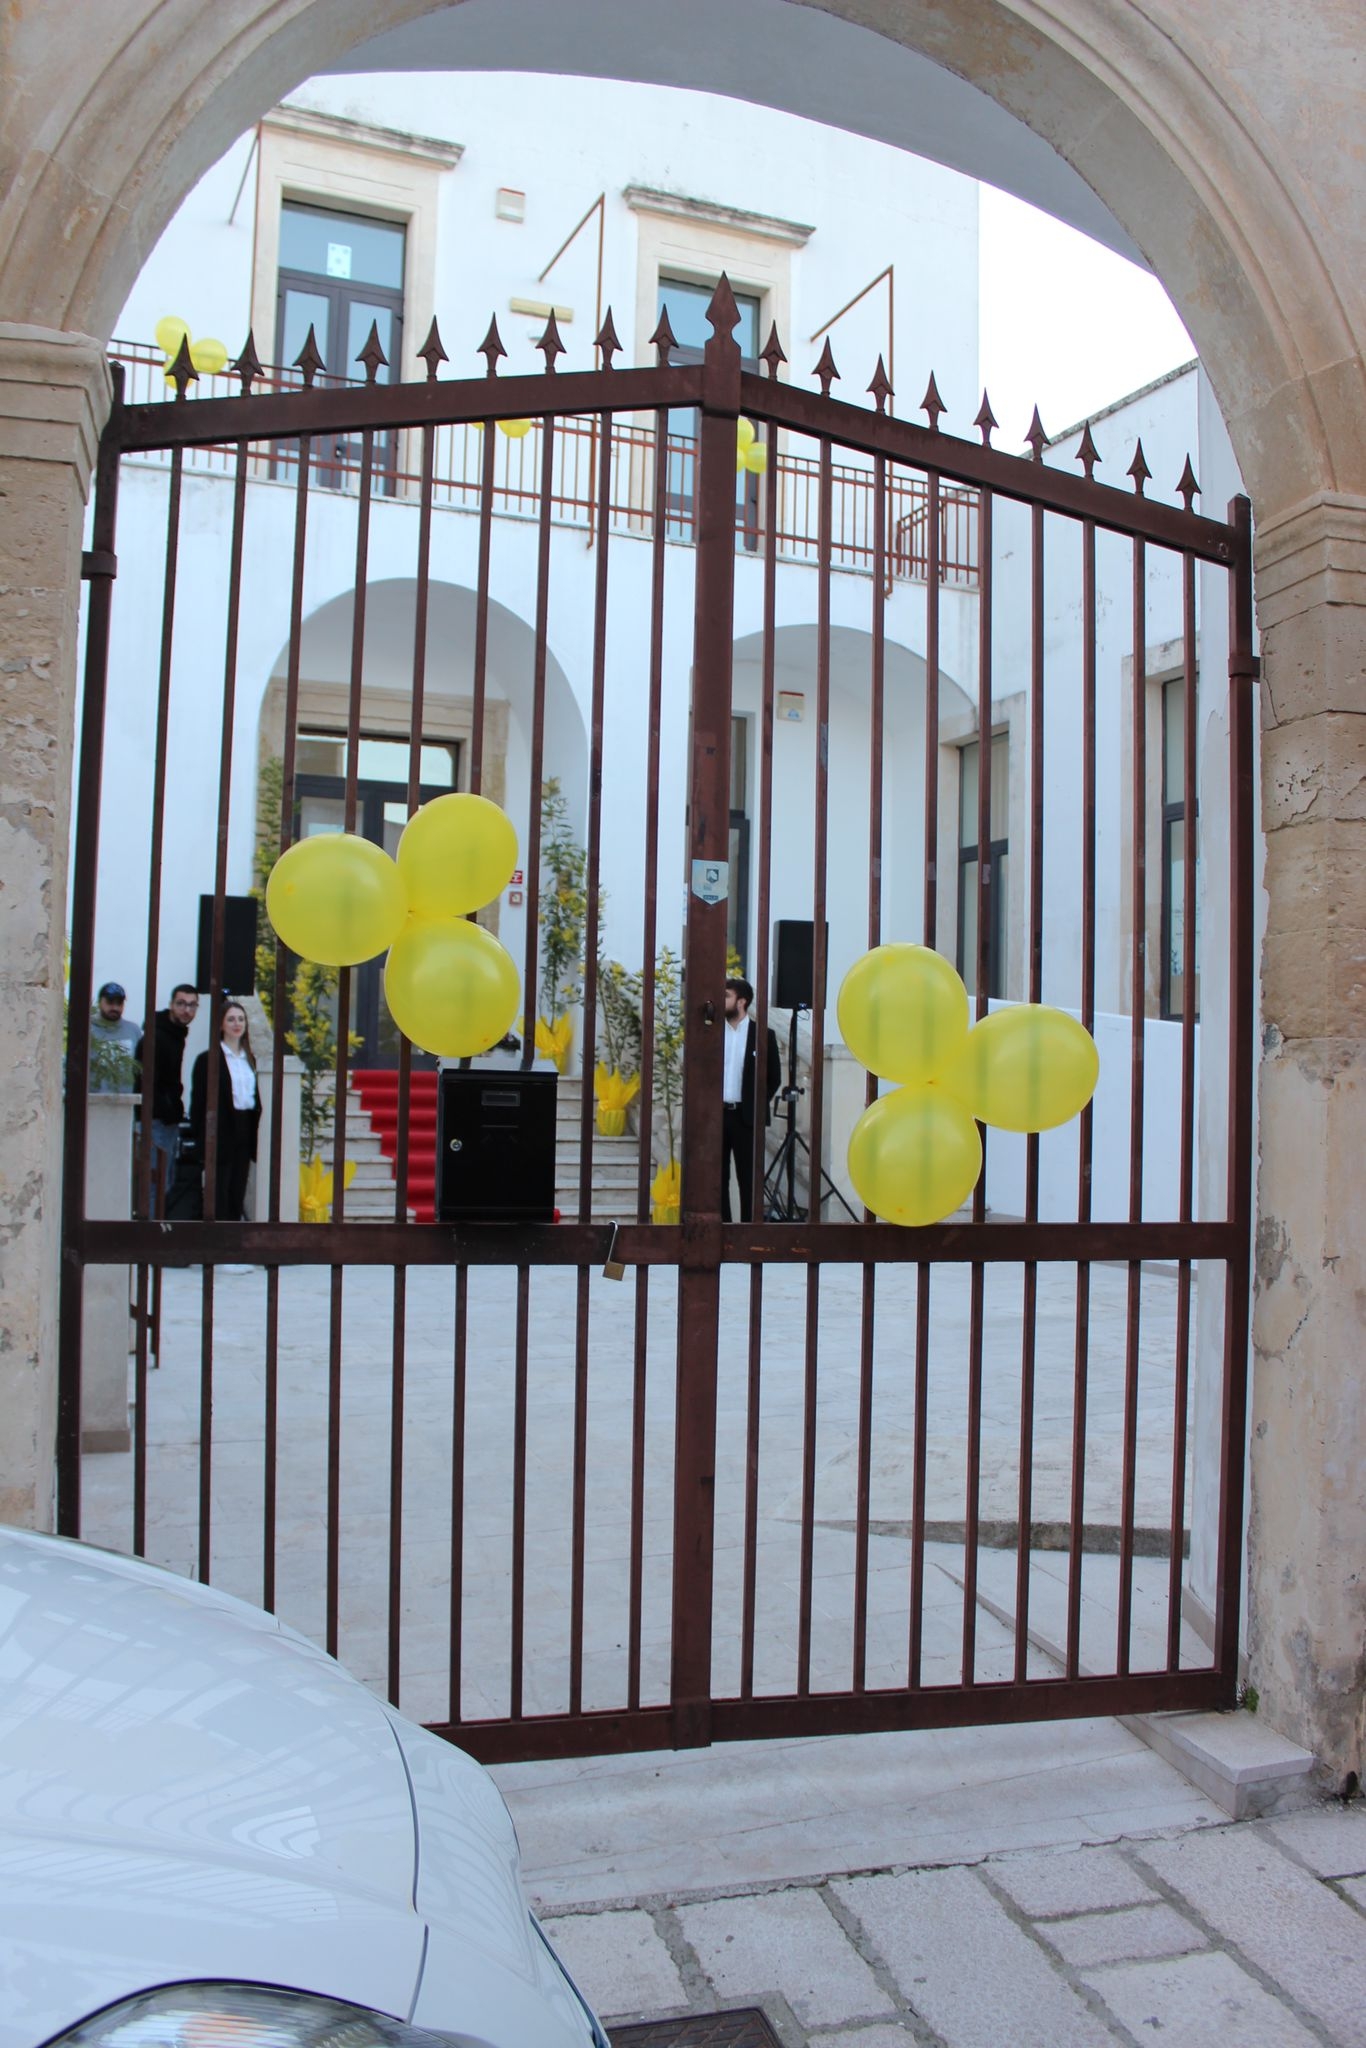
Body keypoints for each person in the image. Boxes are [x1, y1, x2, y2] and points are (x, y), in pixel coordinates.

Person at [189, 998, 262, 1226]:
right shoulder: (207, 1059)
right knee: (219, 1188)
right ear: (221, 1025)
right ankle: (218, 1244)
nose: (236, 1024)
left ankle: (234, 1244)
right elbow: (198, 1104)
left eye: (241, 1019)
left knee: (238, 1187)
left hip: (244, 1128)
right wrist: (201, 1140)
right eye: (230, 1019)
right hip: (220, 1131)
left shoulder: (249, 1059)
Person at [721, 975, 782, 1223]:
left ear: (741, 1002)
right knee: (717, 1178)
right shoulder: (712, 1032)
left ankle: (748, 1231)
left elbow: (774, 1078)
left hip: (747, 1118)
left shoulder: (763, 1035)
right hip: (718, 1115)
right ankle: (721, 1229)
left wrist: (755, 1104)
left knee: (749, 1178)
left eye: (726, 996)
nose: (720, 999)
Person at [135, 983, 198, 1193]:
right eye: (181, 1004)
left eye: (192, 1005)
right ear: (171, 1004)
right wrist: (168, 1108)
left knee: (163, 1182)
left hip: (166, 1120)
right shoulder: (156, 1036)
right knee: (155, 1184)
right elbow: (146, 1081)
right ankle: (151, 1226)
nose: (186, 1010)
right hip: (155, 1120)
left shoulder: (175, 1033)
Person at [89, 981, 141, 1092]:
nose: (115, 1007)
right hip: (94, 1102)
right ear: (99, 1002)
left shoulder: (133, 1031)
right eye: (110, 1002)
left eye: (119, 1003)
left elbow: (140, 1068)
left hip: (126, 1102)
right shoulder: (87, 1030)